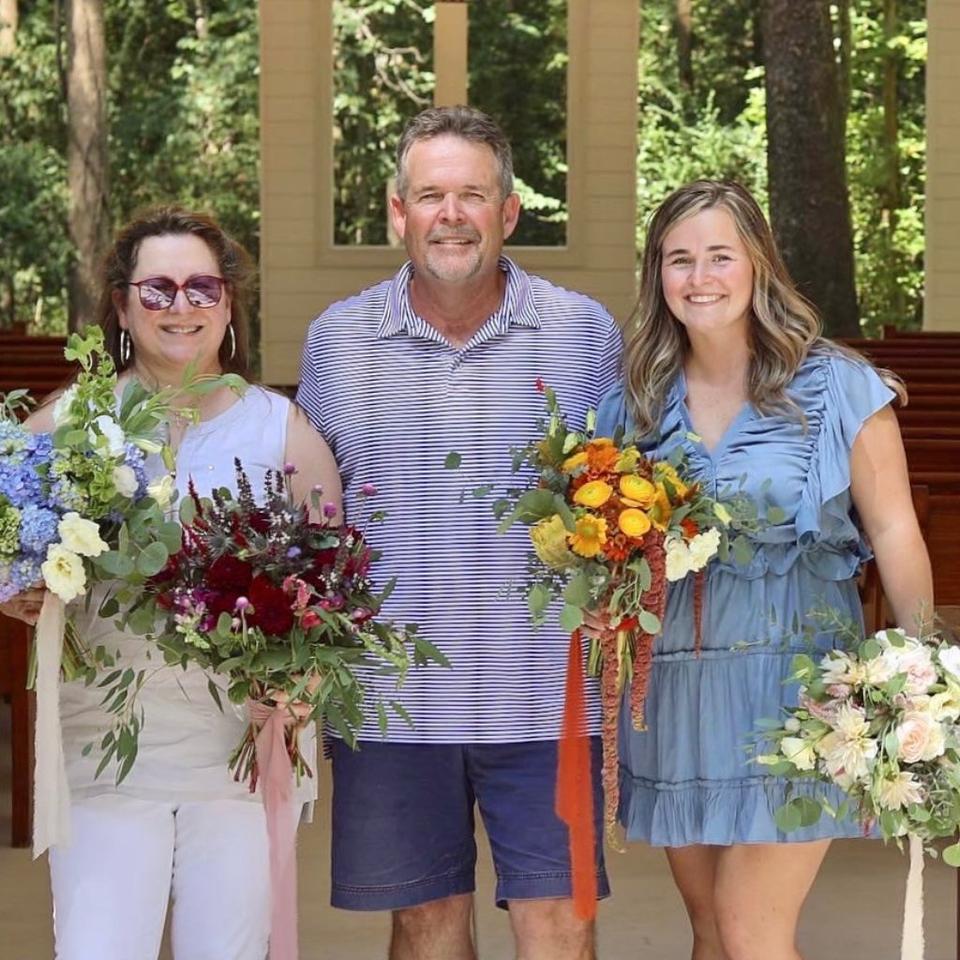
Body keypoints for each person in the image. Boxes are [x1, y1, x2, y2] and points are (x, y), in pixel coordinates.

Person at [296, 105, 623, 960]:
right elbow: (307, 521)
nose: (451, 214)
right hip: (393, 698)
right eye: (430, 194)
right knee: (427, 929)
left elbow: (624, 504)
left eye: (473, 195)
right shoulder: (336, 340)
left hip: (550, 696)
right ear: (398, 211)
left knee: (559, 927)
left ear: (508, 212)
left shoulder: (583, 331)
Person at [592, 180, 933, 960]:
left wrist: (919, 678)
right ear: (658, 275)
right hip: (677, 697)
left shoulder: (840, 385)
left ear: (758, 266)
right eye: (680, 260)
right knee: (713, 930)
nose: (700, 277)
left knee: (752, 928)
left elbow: (895, 531)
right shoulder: (632, 406)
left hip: (800, 692)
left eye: (720, 256)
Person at [2, 206, 342, 960]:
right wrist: (19, 588)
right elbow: (7, 547)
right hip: (106, 750)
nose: (180, 305)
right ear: (121, 305)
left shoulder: (283, 430)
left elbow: (331, 595)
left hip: (242, 753)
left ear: (227, 303)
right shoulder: (71, 422)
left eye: (200, 287)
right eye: (156, 289)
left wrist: (298, 688)